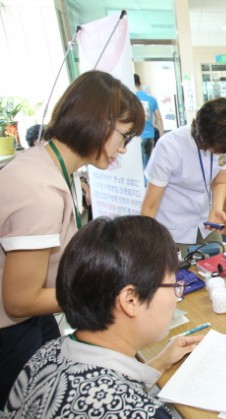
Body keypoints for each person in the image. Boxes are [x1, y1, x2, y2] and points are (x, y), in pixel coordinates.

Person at [2, 216, 226, 419]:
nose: (177, 294)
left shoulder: (47, 353)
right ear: (130, 299)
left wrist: (155, 365)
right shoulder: (133, 412)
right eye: (173, 285)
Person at [0, 70, 145, 408]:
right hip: (11, 329)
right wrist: (102, 296)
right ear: (98, 122)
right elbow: (19, 302)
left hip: (34, 320)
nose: (122, 149)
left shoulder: (52, 168)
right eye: (124, 136)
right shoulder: (40, 191)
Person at [141, 97, 226, 253]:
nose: (224, 154)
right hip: (173, 229)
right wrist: (149, 245)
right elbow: (149, 206)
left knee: (218, 266)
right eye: (218, 151)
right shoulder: (169, 146)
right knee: (181, 274)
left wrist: (216, 208)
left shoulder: (225, 140)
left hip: (205, 224)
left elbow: (220, 182)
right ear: (205, 141)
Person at [134, 73, 164, 168]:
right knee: (147, 164)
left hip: (134, 137)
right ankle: (146, 181)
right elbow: (159, 118)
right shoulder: (151, 99)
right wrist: (162, 135)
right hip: (149, 136)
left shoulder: (129, 99)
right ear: (140, 83)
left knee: (137, 166)